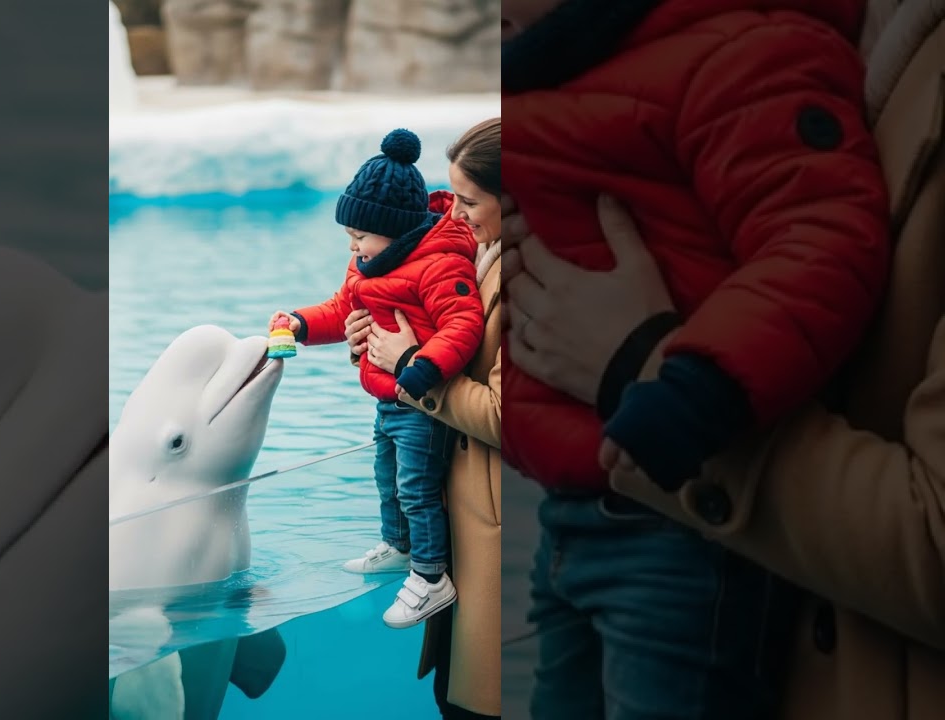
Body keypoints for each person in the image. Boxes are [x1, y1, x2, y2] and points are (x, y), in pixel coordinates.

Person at [503, 0, 945, 717]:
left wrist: (667, 374)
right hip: (584, 502)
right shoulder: (566, 67)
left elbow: (817, 240)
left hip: (684, 515)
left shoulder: (741, 55)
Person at [269, 127, 486, 630]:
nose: (354, 248)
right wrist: (300, 323)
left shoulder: (437, 265)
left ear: (396, 230)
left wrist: (424, 366)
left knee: (416, 489)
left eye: (360, 237)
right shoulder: (366, 266)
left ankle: (431, 576)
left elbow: (463, 324)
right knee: (386, 478)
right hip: (388, 399)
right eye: (351, 239)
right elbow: (341, 309)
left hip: (421, 402)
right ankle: (399, 545)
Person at [344, 117, 503, 719]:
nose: (453, 214)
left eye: (469, 201)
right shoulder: (472, 249)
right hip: (458, 518)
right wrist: (370, 342)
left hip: (491, 530)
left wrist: (411, 367)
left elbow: (509, 415)